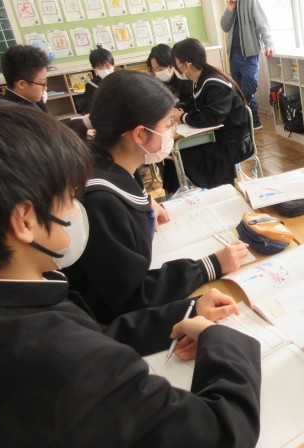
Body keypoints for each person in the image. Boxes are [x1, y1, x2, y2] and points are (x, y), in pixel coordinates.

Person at [0, 99, 261, 447]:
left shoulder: (17, 297)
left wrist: (186, 311)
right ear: (25, 221)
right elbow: (221, 433)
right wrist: (218, 338)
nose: (77, 208)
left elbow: (98, 334)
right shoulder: (61, 357)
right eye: (68, 196)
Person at [63, 70, 249, 324]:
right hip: (111, 323)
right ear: (139, 134)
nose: (172, 131)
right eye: (168, 124)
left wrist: (146, 204)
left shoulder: (113, 162)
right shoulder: (101, 202)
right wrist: (210, 265)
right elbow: (132, 297)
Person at [166, 38, 253, 192]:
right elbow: (195, 103)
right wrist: (178, 108)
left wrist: (182, 117)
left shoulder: (215, 83)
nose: (178, 71)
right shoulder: (202, 79)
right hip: (219, 136)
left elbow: (212, 117)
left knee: (182, 155)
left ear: (186, 65)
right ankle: (177, 194)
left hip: (233, 142)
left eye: (178, 66)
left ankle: (209, 193)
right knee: (174, 156)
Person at [219, 0, 274, 130]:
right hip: (234, 55)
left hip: (249, 54)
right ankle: (249, 121)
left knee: (247, 89)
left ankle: (252, 120)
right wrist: (229, 9)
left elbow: (262, 23)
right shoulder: (232, 4)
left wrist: (269, 43)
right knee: (239, 91)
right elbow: (224, 26)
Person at [0, 44, 49, 111]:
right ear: (22, 84)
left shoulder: (30, 96)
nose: (45, 88)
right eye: (42, 83)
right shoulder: (13, 112)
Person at [147, 43, 194, 111]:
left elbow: (191, 103)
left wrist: (175, 108)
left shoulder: (185, 79)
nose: (157, 73)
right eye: (154, 69)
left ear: (171, 65)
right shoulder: (155, 82)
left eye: (160, 69)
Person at [76, 44, 114, 114]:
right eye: (100, 68)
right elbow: (85, 107)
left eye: (108, 67)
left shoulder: (124, 79)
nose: (105, 70)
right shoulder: (91, 85)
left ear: (113, 65)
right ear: (94, 68)